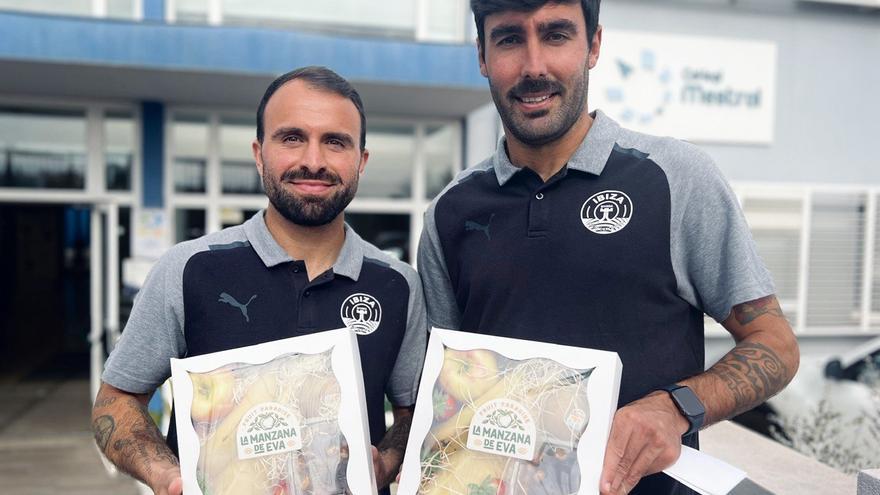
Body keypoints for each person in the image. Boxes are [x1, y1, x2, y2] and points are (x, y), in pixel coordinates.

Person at [417, 2, 799, 494]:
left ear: (593, 45)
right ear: (483, 56)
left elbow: (776, 344)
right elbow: (448, 393)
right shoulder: (449, 213)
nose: (534, 66)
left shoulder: (675, 178)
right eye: (509, 39)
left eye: (556, 35)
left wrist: (674, 407)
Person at [92, 66, 426, 495]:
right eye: (291, 138)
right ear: (258, 153)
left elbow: (416, 411)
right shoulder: (188, 269)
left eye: (335, 142)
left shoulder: (398, 285)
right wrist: (168, 476)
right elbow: (115, 400)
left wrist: (389, 458)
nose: (313, 160)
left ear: (361, 160)